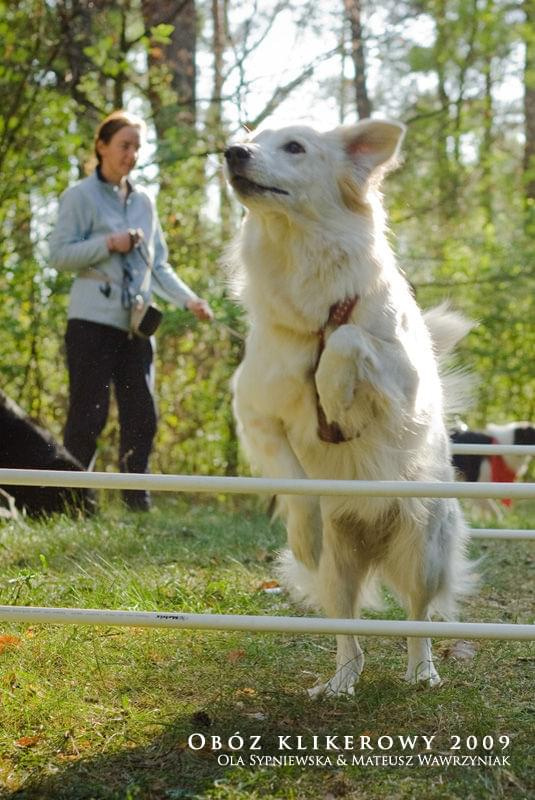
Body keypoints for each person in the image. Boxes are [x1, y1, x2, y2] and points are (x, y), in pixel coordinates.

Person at [49, 110, 213, 511]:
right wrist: (109, 243)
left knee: (143, 413)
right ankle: (72, 502)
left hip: (136, 326)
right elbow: (58, 255)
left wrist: (189, 299)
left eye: (137, 147)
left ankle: (135, 500)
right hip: (90, 322)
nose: (132, 154)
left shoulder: (144, 202)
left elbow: (159, 266)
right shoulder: (79, 196)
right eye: (125, 145)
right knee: (89, 413)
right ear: (102, 147)